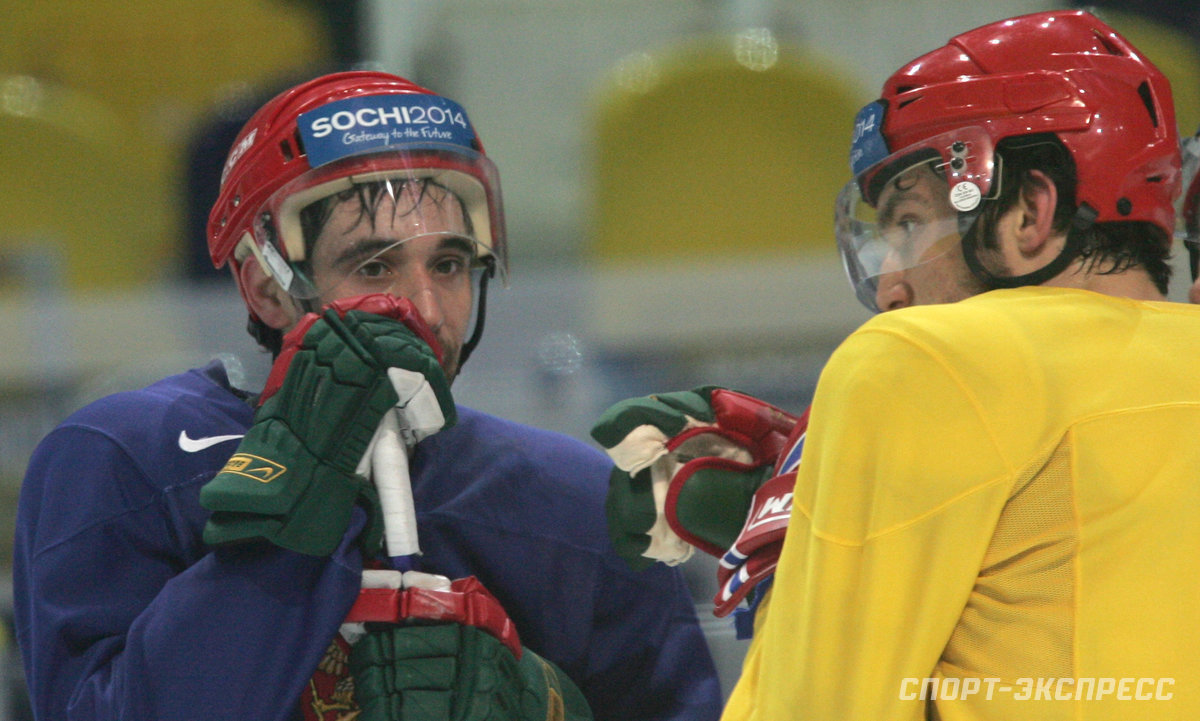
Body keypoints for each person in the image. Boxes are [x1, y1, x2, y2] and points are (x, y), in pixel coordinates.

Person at [12, 70, 722, 721]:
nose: (425, 307)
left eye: (448, 263)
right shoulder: (122, 460)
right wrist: (285, 527)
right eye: (374, 263)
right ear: (263, 284)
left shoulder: (577, 502)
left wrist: (550, 708)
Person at [593, 9, 1200, 720]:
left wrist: (799, 559)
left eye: (911, 223)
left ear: (1030, 211)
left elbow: (820, 708)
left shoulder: (918, 360)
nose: (890, 286)